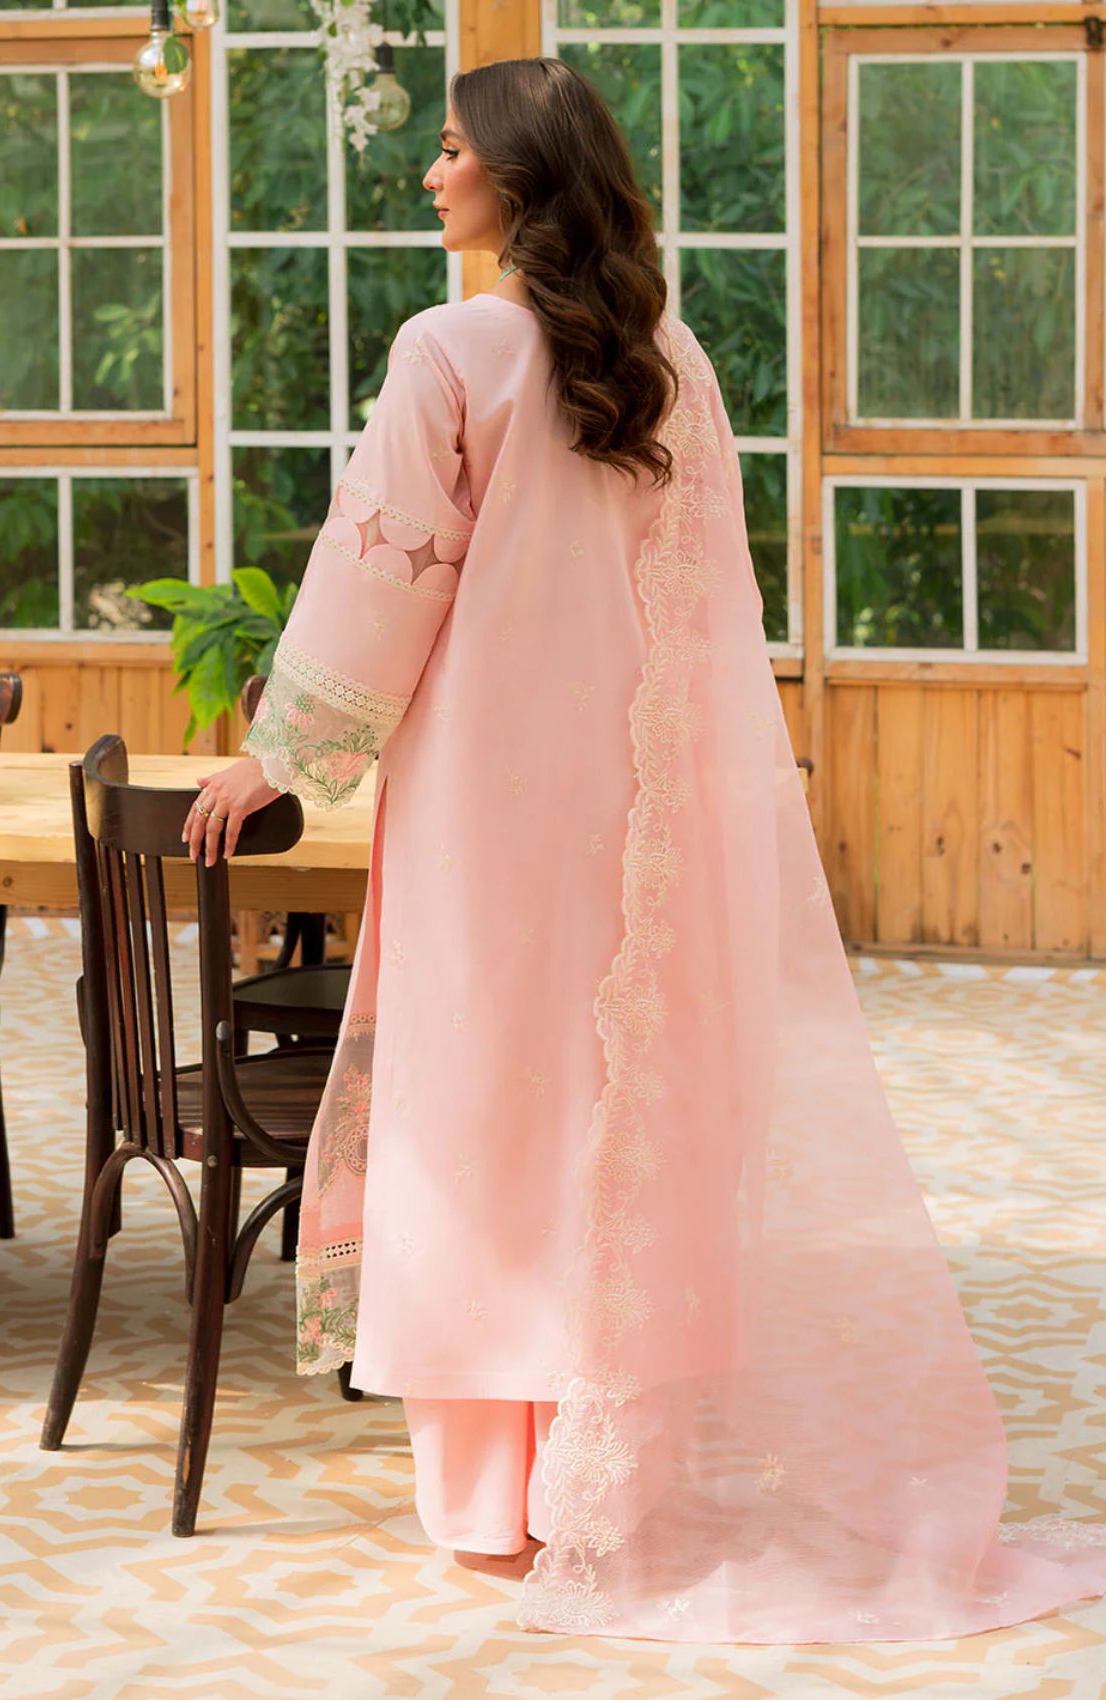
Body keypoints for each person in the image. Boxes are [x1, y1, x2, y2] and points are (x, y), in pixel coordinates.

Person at [182, 57, 1106, 1646]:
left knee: (481, 1114)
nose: (431, 176)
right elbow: (708, 605)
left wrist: (285, 758)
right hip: (642, 805)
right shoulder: (667, 358)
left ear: (518, 176)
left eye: (453, 151)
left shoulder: (448, 348)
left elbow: (382, 572)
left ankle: (490, 1505)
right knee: (613, 1115)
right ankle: (599, 1480)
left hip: (485, 805)